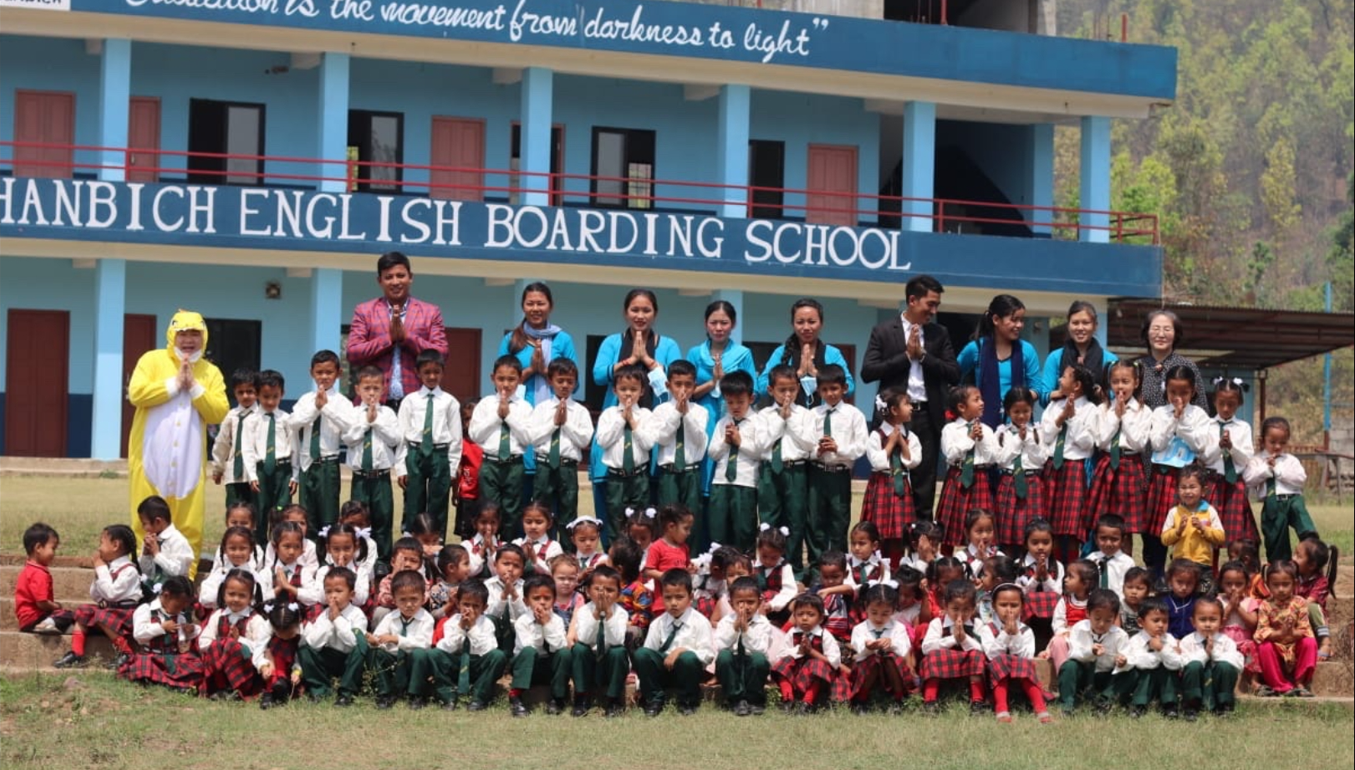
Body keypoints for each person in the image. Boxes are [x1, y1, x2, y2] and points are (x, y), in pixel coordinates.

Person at [127, 310, 229, 575]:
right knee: (146, 516)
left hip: (188, 462)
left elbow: (218, 412)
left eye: (195, 334)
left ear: (204, 337)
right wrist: (174, 384)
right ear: (172, 334)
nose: (188, 340)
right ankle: (144, 575)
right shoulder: (151, 360)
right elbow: (137, 394)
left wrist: (194, 387)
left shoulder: (211, 372)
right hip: (150, 458)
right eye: (183, 333)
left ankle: (185, 577)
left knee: (188, 522)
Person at [861, 275, 960, 518]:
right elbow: (868, 372)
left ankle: (921, 538)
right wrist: (906, 357)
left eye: (937, 305)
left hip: (927, 416)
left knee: (924, 483)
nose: (934, 311)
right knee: (889, 479)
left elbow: (954, 373)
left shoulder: (939, 333)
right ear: (913, 300)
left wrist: (923, 356)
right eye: (930, 304)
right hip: (892, 418)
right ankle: (889, 538)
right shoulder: (884, 331)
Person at [589, 289, 682, 529]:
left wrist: (647, 360)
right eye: (635, 310)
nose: (640, 315)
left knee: (649, 493)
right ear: (625, 312)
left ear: (655, 313)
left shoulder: (668, 345)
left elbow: (675, 380)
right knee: (611, 496)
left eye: (646, 310)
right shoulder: (612, 342)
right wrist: (630, 360)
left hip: (651, 422)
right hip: (618, 420)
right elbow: (598, 375)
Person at [346, 250, 448, 408]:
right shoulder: (365, 311)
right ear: (379, 280)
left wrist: (407, 338)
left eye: (400, 276)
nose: (395, 282)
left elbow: (441, 353)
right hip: (374, 402)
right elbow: (353, 353)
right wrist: (389, 339)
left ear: (410, 277)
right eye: (389, 277)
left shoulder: (430, 312)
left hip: (417, 402)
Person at [1144, 365, 1217, 578]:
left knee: (1185, 524)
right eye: (1173, 392)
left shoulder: (1199, 415)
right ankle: (1156, 575)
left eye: (1184, 392)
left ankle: (1185, 575)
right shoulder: (1159, 413)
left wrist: (1182, 421)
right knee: (1159, 527)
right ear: (1165, 390)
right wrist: (1173, 419)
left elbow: (1199, 445)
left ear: (1193, 391)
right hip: (1162, 476)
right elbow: (1157, 443)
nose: (1178, 397)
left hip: (1187, 477)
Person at [689, 300, 757, 496]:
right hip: (704, 416)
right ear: (705, 324)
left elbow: (753, 389)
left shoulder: (743, 354)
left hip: (733, 415)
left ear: (733, 324)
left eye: (724, 323)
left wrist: (727, 382)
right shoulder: (695, 353)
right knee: (704, 458)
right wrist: (713, 382)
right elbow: (686, 392)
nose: (718, 328)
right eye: (713, 322)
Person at [408, 580, 508, 710]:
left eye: (476, 606)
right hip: (455, 664)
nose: (469, 609)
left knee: (498, 656)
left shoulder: (487, 624)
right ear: (458, 604)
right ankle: (448, 695)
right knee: (433, 654)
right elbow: (445, 648)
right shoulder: (452, 622)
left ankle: (479, 697)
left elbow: (488, 649)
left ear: (484, 607)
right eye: (466, 604)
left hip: (476, 665)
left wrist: (472, 628)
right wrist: (460, 628)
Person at [757, 364, 817, 577]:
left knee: (795, 520)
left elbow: (809, 444)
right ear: (771, 390)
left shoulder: (805, 415)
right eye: (782, 390)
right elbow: (761, 444)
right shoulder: (764, 415)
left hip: (795, 471)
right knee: (768, 520)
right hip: (769, 471)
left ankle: (794, 570)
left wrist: (790, 418)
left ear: (798, 389)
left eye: (792, 389)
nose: (787, 395)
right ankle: (767, 569)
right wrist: (780, 419)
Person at [290, 350, 356, 542]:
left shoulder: (342, 402)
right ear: (311, 373)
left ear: (338, 373)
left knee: (328, 515)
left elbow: (350, 427)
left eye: (329, 372)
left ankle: (327, 553)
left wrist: (326, 408)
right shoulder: (305, 400)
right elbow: (293, 423)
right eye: (319, 372)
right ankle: (309, 552)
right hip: (307, 464)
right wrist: (315, 408)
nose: (324, 377)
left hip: (328, 464)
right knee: (306, 515)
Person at [397, 349, 463, 541]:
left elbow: (456, 438)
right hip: (415, 452)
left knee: (438, 500)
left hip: (439, 455)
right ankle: (411, 540)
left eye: (436, 372)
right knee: (413, 499)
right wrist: (401, 467)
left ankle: (437, 541)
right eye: (427, 372)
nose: (432, 376)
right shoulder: (410, 401)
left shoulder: (450, 402)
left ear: (443, 372)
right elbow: (401, 436)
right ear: (418, 373)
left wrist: (452, 468)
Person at [1039, 365, 1101, 564]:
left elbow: (1087, 444)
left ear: (1077, 385)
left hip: (1074, 467)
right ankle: (1055, 567)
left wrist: (1072, 418)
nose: (1059, 380)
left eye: (1064, 377)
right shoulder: (1054, 406)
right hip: (1052, 466)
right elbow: (1045, 436)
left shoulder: (1090, 410)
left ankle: (1072, 568)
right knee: (1052, 524)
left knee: (1071, 526)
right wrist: (1061, 417)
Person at [1088, 361, 1152, 551]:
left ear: (1136, 383)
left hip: (1130, 465)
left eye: (1125, 381)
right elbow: (1100, 441)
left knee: (1126, 527)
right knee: (1104, 522)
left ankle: (1126, 565)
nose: (1120, 387)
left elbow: (1139, 443)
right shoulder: (1103, 409)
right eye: (1115, 382)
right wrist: (1115, 416)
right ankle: (1102, 562)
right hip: (1107, 465)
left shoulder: (1143, 411)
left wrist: (1124, 416)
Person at [957, 295, 1046, 429]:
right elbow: (954, 377)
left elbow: (1037, 388)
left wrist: (1018, 399)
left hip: (1017, 427)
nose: (1019, 325)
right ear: (996, 320)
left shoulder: (1026, 350)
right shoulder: (976, 348)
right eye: (1014, 320)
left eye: (1021, 320)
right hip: (981, 427)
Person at [634, 569, 715, 716]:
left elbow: (708, 655)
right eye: (668, 598)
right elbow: (648, 654)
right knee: (641, 654)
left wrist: (680, 651)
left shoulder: (700, 622)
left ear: (690, 597)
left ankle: (687, 701)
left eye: (679, 597)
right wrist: (640, 685)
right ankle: (654, 699)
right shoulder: (658, 623)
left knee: (688, 658)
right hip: (664, 672)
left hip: (687, 673)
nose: (673, 603)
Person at [469, 356, 534, 538]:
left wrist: (509, 417)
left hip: (514, 464)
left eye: (511, 379)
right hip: (490, 463)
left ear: (520, 379)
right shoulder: (485, 404)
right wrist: (497, 416)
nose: (506, 384)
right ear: (493, 378)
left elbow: (528, 438)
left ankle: (507, 545)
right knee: (489, 509)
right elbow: (475, 435)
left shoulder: (524, 407)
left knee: (512, 510)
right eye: (501, 379)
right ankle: (489, 545)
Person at [343, 366, 403, 561]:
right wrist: (365, 422)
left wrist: (376, 421)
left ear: (383, 389)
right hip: (360, 478)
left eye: (376, 388)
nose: (371, 393)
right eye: (367, 388)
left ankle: (383, 560)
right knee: (358, 520)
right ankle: (360, 558)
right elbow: (348, 439)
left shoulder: (388, 414)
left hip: (381, 477)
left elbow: (395, 439)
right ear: (357, 389)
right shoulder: (352, 413)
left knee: (383, 518)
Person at [528, 358, 594, 537]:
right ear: (550, 381)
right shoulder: (541, 409)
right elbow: (533, 437)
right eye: (560, 380)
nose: (565, 385)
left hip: (567, 467)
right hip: (544, 465)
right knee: (542, 510)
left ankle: (567, 549)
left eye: (570, 381)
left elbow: (584, 440)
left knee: (568, 510)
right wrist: (554, 423)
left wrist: (566, 424)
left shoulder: (580, 411)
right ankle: (543, 546)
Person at [808, 364, 866, 560]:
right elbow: (805, 445)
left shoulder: (854, 415)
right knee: (815, 522)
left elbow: (860, 447)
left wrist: (837, 448)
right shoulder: (813, 415)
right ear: (818, 391)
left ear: (844, 388)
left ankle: (838, 565)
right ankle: (817, 566)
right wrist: (817, 451)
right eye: (824, 389)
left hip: (839, 474)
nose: (830, 393)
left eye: (834, 388)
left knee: (839, 522)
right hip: (817, 472)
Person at [594, 365, 656, 544]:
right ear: (615, 390)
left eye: (633, 389)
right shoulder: (609, 414)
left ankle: (638, 554)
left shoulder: (646, 415)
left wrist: (633, 423)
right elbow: (603, 441)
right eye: (623, 389)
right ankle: (617, 553)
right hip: (616, 477)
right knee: (616, 519)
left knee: (640, 520)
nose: (628, 394)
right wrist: (622, 420)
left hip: (639, 476)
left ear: (642, 391)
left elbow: (648, 444)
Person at [1245, 416, 1319, 562]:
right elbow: (1249, 479)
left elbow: (1300, 478)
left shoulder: (1290, 460)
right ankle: (1280, 564)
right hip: (1272, 503)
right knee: (1275, 537)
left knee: (1298, 508)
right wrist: (1267, 469)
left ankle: (1309, 539)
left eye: (1282, 442)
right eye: (1272, 442)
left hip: (1291, 498)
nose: (1277, 446)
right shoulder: (1257, 460)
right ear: (1262, 441)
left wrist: (1278, 470)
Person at [861, 388, 921, 567]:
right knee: (878, 531)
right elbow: (877, 462)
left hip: (901, 486)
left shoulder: (910, 436)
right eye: (907, 404)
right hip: (882, 485)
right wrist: (891, 443)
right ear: (894, 410)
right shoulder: (876, 435)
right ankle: (876, 568)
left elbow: (913, 461)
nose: (911, 408)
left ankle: (895, 567)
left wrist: (902, 442)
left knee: (899, 533)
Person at [641, 359, 709, 516]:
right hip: (669, 472)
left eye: (688, 385)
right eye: (678, 384)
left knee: (691, 518)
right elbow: (662, 438)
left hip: (691, 472)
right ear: (668, 385)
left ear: (695, 386)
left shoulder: (700, 411)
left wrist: (687, 414)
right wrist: (677, 413)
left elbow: (699, 439)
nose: (683, 390)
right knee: (668, 517)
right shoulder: (660, 410)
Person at [498, 279, 579, 408]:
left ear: (551, 306)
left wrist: (544, 370)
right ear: (523, 307)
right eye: (530, 304)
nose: (535, 309)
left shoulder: (563, 339)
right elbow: (500, 382)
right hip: (518, 410)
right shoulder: (510, 339)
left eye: (540, 304)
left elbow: (575, 384)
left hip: (553, 410)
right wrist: (531, 370)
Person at [707, 371, 764, 552]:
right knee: (718, 529)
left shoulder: (757, 422)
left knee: (744, 530)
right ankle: (719, 564)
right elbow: (712, 453)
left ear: (751, 398)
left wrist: (740, 442)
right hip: (721, 482)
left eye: (740, 402)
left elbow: (761, 452)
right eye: (730, 402)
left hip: (745, 483)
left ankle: (744, 563)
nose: (735, 407)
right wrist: (726, 441)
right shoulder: (722, 423)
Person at [936, 385, 999, 547]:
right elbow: (950, 454)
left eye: (981, 399)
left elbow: (992, 458)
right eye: (976, 400)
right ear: (962, 407)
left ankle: (981, 558)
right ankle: (947, 559)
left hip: (980, 477)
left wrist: (982, 439)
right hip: (958, 476)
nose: (982, 403)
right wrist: (969, 438)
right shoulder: (950, 429)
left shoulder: (987, 429)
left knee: (981, 522)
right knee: (951, 525)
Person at [980, 583, 1051, 724]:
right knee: (1000, 660)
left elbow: (1026, 657)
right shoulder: (988, 629)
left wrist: (1016, 635)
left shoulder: (1026, 631)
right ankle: (1001, 709)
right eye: (1003, 605)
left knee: (1024, 663)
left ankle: (1040, 708)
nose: (1009, 610)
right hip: (996, 674)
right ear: (994, 606)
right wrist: (1005, 634)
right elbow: (992, 655)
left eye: (1014, 605)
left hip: (1021, 673)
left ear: (1022, 606)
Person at [297, 566, 369, 706]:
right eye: (328, 591)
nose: (333, 596)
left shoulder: (357, 615)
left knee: (360, 645)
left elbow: (353, 642)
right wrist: (330, 621)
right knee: (304, 648)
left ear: (351, 594)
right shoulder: (324, 615)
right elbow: (314, 644)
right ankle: (320, 690)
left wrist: (337, 619)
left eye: (338, 591)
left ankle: (346, 693)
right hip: (330, 658)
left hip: (350, 660)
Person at [361, 569, 432, 709]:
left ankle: (416, 695)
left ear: (423, 598)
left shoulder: (426, 619)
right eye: (403, 600)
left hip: (412, 661)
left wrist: (397, 639)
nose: (409, 604)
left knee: (420, 654)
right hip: (393, 659)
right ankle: (385, 693)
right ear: (394, 600)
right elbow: (380, 636)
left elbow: (425, 643)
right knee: (376, 653)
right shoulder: (390, 617)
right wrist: (375, 641)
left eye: (414, 599)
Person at [119, 576, 202, 692]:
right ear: (166, 595)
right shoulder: (146, 610)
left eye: (183, 608)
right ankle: (174, 682)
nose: (180, 610)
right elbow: (138, 635)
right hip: (152, 657)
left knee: (197, 664)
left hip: (173, 658)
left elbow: (182, 639)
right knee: (144, 663)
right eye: (178, 606)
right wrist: (161, 627)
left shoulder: (180, 617)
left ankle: (165, 680)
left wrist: (190, 631)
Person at [241, 370, 299, 538]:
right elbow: (247, 449)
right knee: (260, 511)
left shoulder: (287, 419)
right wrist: (252, 475)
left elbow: (294, 447)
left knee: (282, 512)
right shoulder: (251, 420)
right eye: (266, 397)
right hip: (261, 471)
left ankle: (280, 546)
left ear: (282, 394)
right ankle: (260, 546)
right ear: (257, 394)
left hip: (283, 471)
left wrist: (295, 475)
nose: (271, 401)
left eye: (275, 396)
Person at [567, 565, 630, 717]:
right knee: (579, 649)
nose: (604, 594)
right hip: (590, 663)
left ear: (618, 594)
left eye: (610, 590)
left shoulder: (621, 613)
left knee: (619, 652)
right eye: (598, 589)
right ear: (588, 591)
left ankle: (613, 701)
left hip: (609, 664)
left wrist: (608, 613)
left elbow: (617, 641)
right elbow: (584, 639)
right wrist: (596, 614)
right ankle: (581, 698)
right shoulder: (584, 611)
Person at [198, 569, 270, 700]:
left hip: (244, 669)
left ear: (250, 598)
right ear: (224, 594)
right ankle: (219, 687)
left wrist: (239, 640)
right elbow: (203, 642)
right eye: (231, 594)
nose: (236, 599)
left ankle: (237, 688)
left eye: (242, 596)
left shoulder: (255, 620)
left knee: (233, 645)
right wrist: (222, 644)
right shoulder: (217, 616)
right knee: (219, 645)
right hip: (219, 669)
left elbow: (261, 648)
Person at [507, 573, 572, 716]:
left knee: (565, 653)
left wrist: (547, 624)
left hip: (549, 667)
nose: (542, 602)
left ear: (554, 600)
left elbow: (559, 646)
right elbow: (529, 647)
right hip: (527, 668)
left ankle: (557, 698)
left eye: (547, 598)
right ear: (526, 601)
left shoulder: (557, 620)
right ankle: (516, 696)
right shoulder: (522, 622)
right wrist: (539, 625)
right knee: (529, 651)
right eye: (536, 598)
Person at [1055, 588, 1128, 715]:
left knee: (1130, 673)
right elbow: (1073, 653)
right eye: (1097, 618)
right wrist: (1091, 652)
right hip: (1085, 675)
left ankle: (1105, 700)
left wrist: (1123, 662)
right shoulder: (1079, 629)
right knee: (1069, 666)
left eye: (1108, 620)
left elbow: (1127, 657)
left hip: (1106, 676)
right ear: (1088, 613)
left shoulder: (1120, 635)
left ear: (1115, 618)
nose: (1101, 624)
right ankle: (1068, 704)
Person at [919, 579, 987, 713]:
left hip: (967, 664)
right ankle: (930, 700)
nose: (960, 614)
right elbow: (926, 648)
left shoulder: (977, 624)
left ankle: (977, 701)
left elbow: (983, 649)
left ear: (973, 608)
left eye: (966, 609)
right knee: (933, 656)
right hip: (943, 662)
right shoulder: (938, 623)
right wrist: (953, 639)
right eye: (955, 609)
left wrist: (964, 639)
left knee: (977, 656)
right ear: (945, 605)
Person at [993, 388, 1046, 554]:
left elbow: (1041, 459)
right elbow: (1001, 459)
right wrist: (1018, 440)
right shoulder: (1002, 433)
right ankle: (1008, 565)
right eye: (1016, 412)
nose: (1021, 416)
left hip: (1032, 482)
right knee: (1007, 533)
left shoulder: (1037, 431)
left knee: (1032, 530)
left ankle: (1028, 564)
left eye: (1026, 411)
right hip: (1009, 482)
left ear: (1032, 410)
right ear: (1008, 411)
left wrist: (1028, 440)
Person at [772, 592, 845, 714]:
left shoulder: (825, 635)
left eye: (811, 614)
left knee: (816, 665)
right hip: (797, 672)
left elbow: (835, 662)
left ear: (821, 618)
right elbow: (781, 654)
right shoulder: (792, 633)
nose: (804, 618)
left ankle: (807, 702)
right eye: (800, 614)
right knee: (783, 663)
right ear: (794, 616)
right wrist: (798, 651)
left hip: (819, 676)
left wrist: (811, 652)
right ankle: (788, 699)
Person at [1205, 377, 1258, 544]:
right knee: (1210, 530)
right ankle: (1210, 562)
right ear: (1214, 401)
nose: (1226, 408)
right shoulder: (1207, 425)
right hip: (1212, 482)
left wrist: (1232, 447)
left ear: (1239, 403)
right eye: (1221, 403)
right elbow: (1204, 457)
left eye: (1231, 404)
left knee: (1235, 535)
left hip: (1235, 483)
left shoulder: (1243, 428)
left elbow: (1246, 459)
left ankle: (1234, 561)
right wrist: (1219, 446)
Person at [1254, 560, 1317, 697]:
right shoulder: (1265, 605)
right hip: (1276, 646)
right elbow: (1261, 631)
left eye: (1286, 584)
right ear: (1267, 585)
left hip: (1295, 644)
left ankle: (1300, 682)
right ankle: (1280, 685)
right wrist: (1280, 633)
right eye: (1276, 585)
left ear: (1294, 584)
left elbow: (1305, 629)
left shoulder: (1299, 602)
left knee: (1310, 643)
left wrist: (1292, 632)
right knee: (1264, 647)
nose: (1281, 589)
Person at [848, 582, 915, 713]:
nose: (878, 618)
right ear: (866, 607)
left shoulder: (898, 628)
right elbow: (858, 651)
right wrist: (868, 647)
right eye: (874, 612)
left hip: (892, 670)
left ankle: (899, 699)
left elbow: (904, 650)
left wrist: (891, 644)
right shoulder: (859, 629)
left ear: (893, 610)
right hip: (867, 670)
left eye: (885, 614)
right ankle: (861, 700)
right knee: (875, 658)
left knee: (889, 657)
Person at [713, 575, 774, 717]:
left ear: (759, 602)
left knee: (759, 659)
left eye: (751, 602)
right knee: (724, 657)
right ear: (731, 603)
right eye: (740, 602)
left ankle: (754, 700)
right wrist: (734, 629)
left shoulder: (763, 623)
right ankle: (735, 699)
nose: (745, 607)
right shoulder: (725, 622)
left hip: (751, 663)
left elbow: (761, 648)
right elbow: (721, 646)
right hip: (733, 663)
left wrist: (746, 631)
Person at [1115, 597, 1183, 718]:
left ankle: (1170, 705)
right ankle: (1139, 705)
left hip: (1165, 684)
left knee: (1168, 669)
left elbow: (1177, 664)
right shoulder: (1136, 640)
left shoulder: (1169, 639)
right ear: (1141, 622)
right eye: (1156, 620)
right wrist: (1162, 654)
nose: (1161, 625)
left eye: (1165, 621)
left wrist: (1161, 649)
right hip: (1145, 683)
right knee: (1146, 671)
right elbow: (1140, 663)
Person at [1041, 301, 1118, 406]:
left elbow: (1117, 395)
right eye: (1075, 323)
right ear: (1068, 325)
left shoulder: (1110, 360)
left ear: (1095, 325)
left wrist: (1101, 394)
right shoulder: (1055, 357)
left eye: (1086, 323)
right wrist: (1063, 391)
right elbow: (1043, 397)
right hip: (1062, 415)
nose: (1080, 328)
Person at [1178, 596, 1243, 719]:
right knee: (1193, 665)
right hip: (1196, 685)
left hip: (1217, 686)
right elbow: (1181, 664)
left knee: (1226, 666)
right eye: (1202, 620)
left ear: (1222, 622)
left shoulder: (1226, 642)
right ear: (1193, 622)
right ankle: (1191, 706)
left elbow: (1238, 664)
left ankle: (1224, 706)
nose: (1207, 624)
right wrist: (1204, 654)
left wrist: (1213, 653)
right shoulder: (1187, 641)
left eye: (1213, 620)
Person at [1135, 309, 1209, 412]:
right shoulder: (1136, 368)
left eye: (1167, 329)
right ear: (1147, 333)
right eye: (1156, 328)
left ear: (1176, 334)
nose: (1161, 334)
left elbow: (1202, 407)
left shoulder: (1187, 366)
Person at [1160, 465, 1226, 579]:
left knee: (1203, 590)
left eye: (1192, 487)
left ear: (1203, 490)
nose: (1187, 491)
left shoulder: (1209, 511)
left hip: (1203, 565)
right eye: (1183, 487)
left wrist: (1203, 529)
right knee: (1181, 589)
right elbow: (1164, 539)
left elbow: (1221, 537)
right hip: (1180, 565)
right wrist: (1178, 531)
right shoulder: (1174, 512)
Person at [211, 368, 260, 511]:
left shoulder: (262, 416)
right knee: (234, 511)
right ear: (234, 393)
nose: (245, 396)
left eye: (250, 391)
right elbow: (222, 443)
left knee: (255, 512)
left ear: (257, 392)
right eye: (241, 392)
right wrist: (218, 468)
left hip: (256, 475)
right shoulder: (231, 416)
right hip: (233, 474)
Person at [15, 523, 73, 635]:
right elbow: (42, 603)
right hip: (35, 618)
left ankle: (55, 625)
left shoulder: (28, 570)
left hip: (26, 621)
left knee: (63, 615)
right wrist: (56, 606)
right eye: (52, 548)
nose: (54, 553)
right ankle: (45, 624)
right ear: (38, 548)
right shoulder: (39, 573)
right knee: (68, 614)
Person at [198, 526, 266, 613]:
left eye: (243, 548)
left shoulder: (255, 577)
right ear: (225, 549)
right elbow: (205, 598)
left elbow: (262, 599)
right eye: (232, 548)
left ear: (251, 549)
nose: (237, 553)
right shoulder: (219, 575)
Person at [136, 495, 195, 592]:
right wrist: (146, 555)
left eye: (144, 523)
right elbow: (147, 572)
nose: (143, 528)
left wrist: (156, 554)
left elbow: (177, 572)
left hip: (174, 592)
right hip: (152, 588)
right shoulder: (151, 540)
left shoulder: (178, 541)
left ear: (158, 521)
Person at [256, 600, 304, 709]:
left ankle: (281, 687)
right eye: (280, 634)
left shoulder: (303, 632)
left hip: (290, 666)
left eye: (290, 634)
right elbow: (259, 649)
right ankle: (270, 690)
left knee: (284, 646)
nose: (285, 638)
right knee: (275, 646)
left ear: (298, 622)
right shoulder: (267, 627)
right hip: (272, 663)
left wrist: (297, 671)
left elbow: (300, 657)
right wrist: (264, 666)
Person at [1086, 514, 1135, 599]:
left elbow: (1129, 586)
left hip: (1118, 603)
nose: (1108, 543)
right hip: (1094, 602)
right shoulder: (1091, 558)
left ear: (1123, 540)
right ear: (1096, 539)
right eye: (1103, 538)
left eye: (1114, 539)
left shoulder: (1127, 562)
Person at [513, 502, 564, 575]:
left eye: (539, 522)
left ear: (549, 524)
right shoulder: (516, 544)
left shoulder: (554, 547)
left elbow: (556, 573)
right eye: (528, 522)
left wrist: (535, 558)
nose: (533, 526)